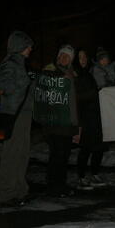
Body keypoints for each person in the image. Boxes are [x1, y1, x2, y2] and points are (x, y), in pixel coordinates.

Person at [0, 31, 34, 207]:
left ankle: (20, 190)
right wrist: (27, 84)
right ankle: (7, 192)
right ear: (19, 46)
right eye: (28, 46)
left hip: (25, 114)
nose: (30, 49)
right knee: (11, 153)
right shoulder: (9, 65)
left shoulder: (23, 66)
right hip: (13, 115)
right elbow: (7, 91)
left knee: (22, 154)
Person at [42, 44, 79, 197]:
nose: (64, 58)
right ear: (58, 57)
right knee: (56, 154)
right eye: (62, 55)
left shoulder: (72, 75)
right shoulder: (50, 70)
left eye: (68, 56)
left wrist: (76, 126)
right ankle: (53, 186)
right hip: (54, 121)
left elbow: (74, 102)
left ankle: (61, 184)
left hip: (67, 123)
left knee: (64, 155)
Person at [73, 49, 109, 190]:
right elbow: (77, 96)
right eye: (80, 57)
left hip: (96, 115)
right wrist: (95, 93)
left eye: (85, 57)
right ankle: (81, 177)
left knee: (98, 146)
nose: (83, 60)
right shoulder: (75, 74)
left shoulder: (88, 73)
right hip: (84, 117)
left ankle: (95, 174)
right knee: (85, 148)